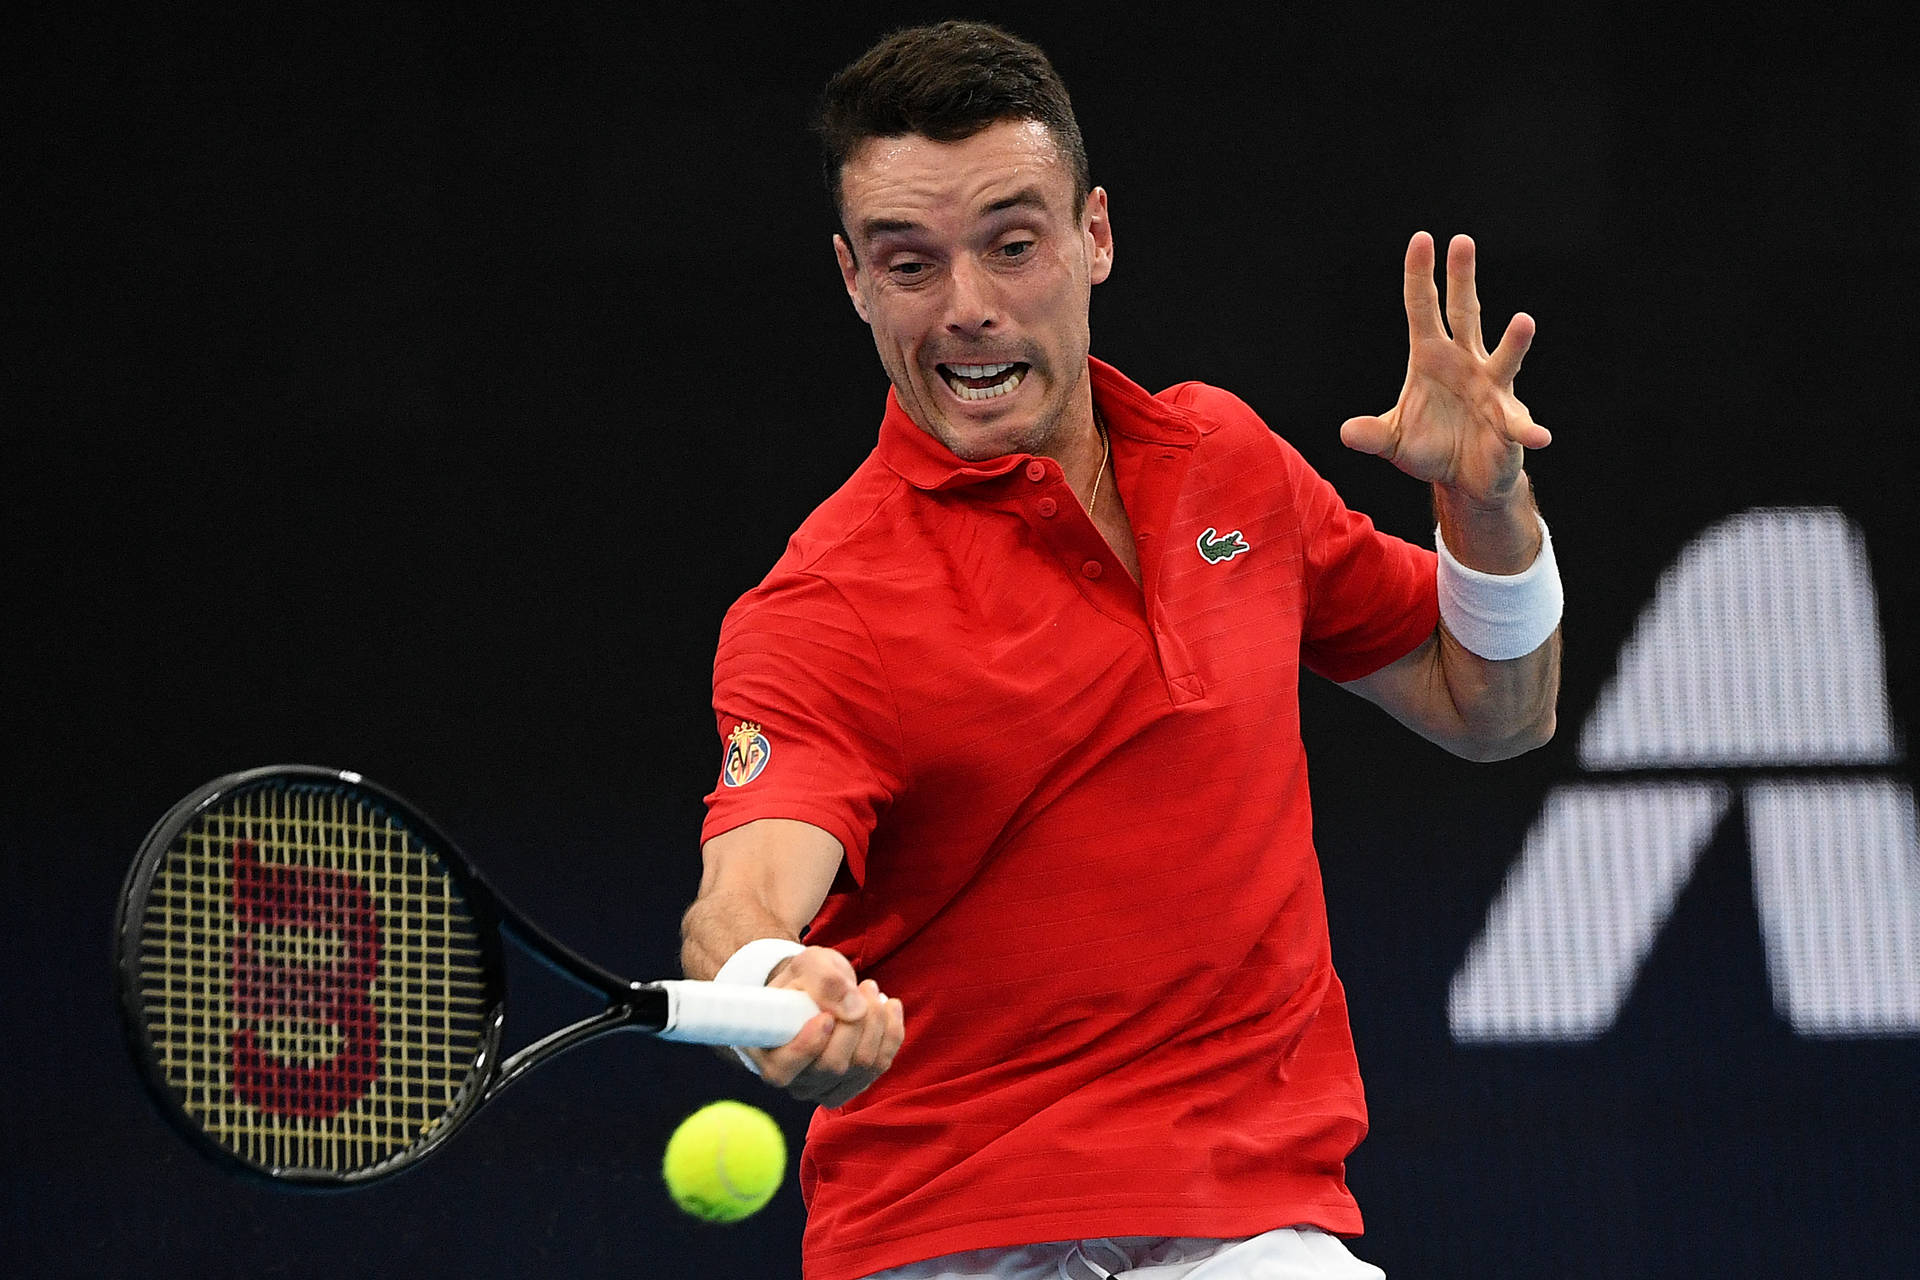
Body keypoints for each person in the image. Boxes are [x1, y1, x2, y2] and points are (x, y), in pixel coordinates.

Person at [678, 20, 1561, 1280]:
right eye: (910, 263)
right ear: (854, 281)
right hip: (952, 1244)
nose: (968, 308)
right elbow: (742, 899)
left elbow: (1498, 707)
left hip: (1252, 1231)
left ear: (1095, 234)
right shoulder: (826, 604)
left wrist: (1486, 509)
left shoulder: (1227, 461)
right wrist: (777, 978)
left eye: (1012, 243)